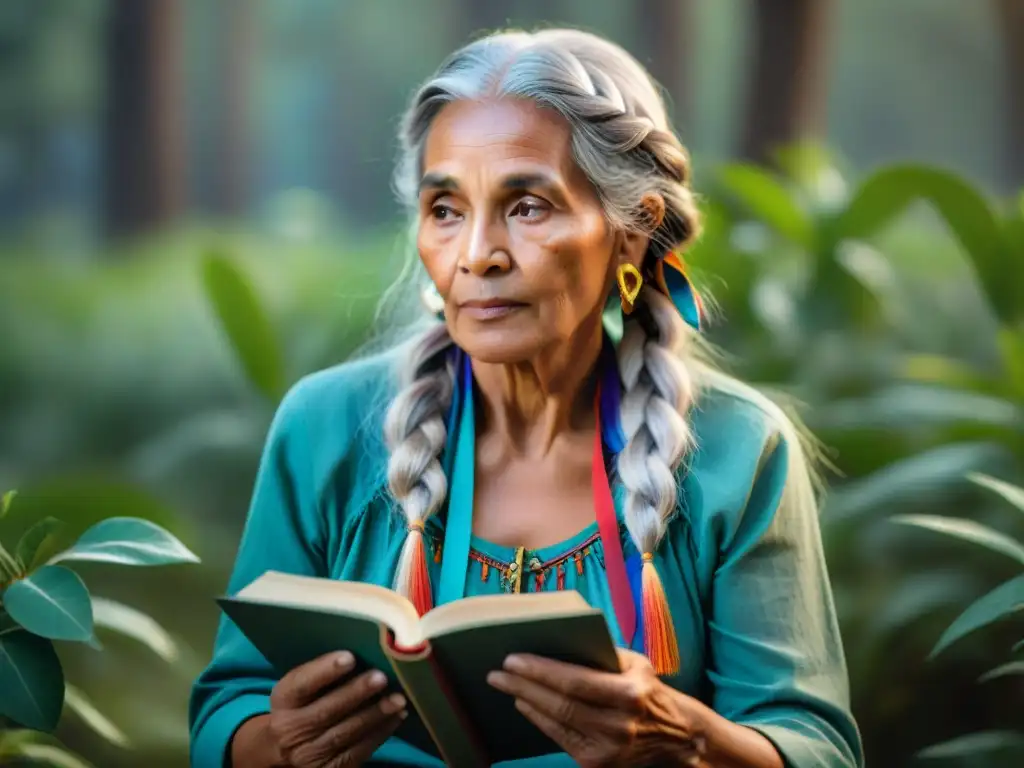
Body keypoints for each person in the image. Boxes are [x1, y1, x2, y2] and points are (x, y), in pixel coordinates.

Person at [188, 27, 863, 768]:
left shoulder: (738, 452)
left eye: (528, 206)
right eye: (445, 209)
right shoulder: (324, 429)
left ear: (630, 235)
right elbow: (228, 708)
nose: (478, 254)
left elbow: (818, 749)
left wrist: (685, 740)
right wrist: (280, 746)